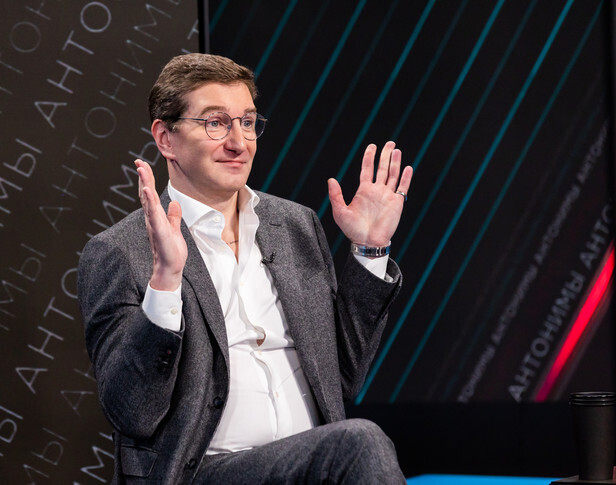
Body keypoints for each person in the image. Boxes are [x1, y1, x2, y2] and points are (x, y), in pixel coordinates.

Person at [78, 53, 413, 484]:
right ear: (165, 138)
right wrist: (165, 283)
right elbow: (134, 414)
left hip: (312, 466)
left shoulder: (295, 226)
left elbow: (343, 379)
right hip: (203, 473)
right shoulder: (120, 252)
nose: (239, 142)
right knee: (359, 441)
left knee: (354, 445)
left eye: (248, 122)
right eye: (215, 123)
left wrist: (369, 250)